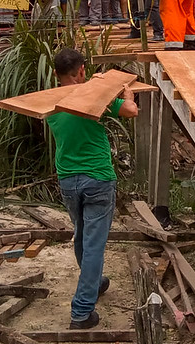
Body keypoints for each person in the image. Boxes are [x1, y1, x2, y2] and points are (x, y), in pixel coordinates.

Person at [47, 48, 138, 329]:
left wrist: (96, 86)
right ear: (83, 70)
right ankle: (82, 312)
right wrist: (124, 91)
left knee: (82, 236)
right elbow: (130, 111)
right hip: (97, 178)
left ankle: (95, 283)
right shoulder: (94, 96)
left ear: (55, 74)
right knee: (94, 245)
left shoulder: (49, 101)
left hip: (68, 180)